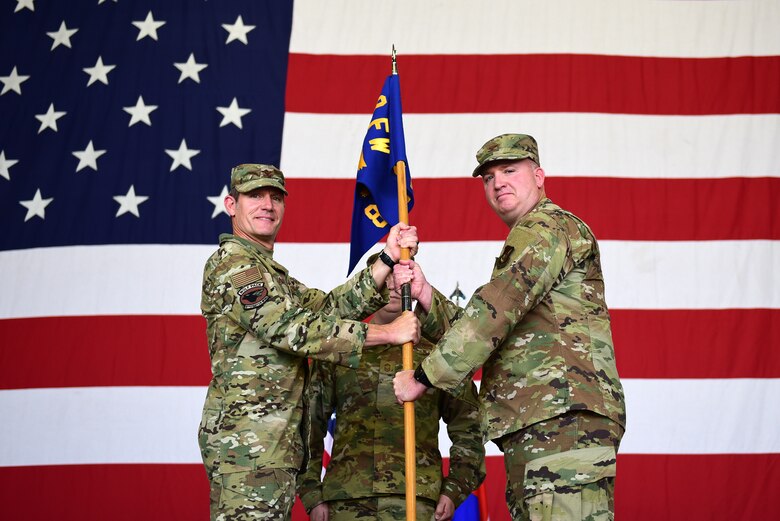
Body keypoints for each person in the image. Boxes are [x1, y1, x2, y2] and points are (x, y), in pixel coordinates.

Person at [392, 135, 627, 520]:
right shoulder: (534, 234)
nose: (497, 182)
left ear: (538, 175)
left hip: (562, 420)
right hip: (543, 421)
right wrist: (426, 294)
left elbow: (494, 313)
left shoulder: (546, 227)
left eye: (509, 170)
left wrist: (423, 377)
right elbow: (501, 328)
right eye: (488, 177)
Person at [199, 163, 421, 521]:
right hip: (247, 447)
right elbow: (289, 327)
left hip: (275, 446)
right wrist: (386, 333)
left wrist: (387, 258)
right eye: (254, 195)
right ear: (230, 205)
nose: (267, 205)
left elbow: (329, 309)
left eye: (275, 197)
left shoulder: (272, 275)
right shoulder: (233, 264)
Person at [297, 259, 486, 521]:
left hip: (417, 501)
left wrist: (454, 490)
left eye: (403, 276)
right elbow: (309, 424)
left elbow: (470, 428)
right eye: (387, 276)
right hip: (346, 500)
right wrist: (311, 493)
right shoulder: (343, 347)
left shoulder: (440, 353)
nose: (396, 285)